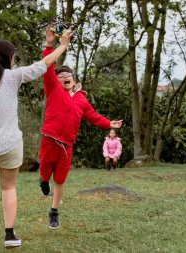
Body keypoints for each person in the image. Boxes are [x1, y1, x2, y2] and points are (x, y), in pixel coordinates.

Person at [0, 30, 72, 251]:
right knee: (9, 188)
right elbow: (44, 64)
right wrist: (62, 45)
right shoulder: (14, 77)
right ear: (7, 57)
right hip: (10, 145)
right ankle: (10, 236)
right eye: (12, 55)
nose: (13, 59)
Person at [39, 27, 123, 229]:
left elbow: (93, 117)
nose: (66, 76)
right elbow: (48, 66)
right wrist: (50, 45)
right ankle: (42, 180)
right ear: (56, 80)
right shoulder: (52, 89)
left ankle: (54, 211)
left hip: (67, 146)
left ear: (74, 81)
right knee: (45, 172)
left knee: (60, 180)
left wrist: (109, 123)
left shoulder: (81, 99)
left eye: (69, 75)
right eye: (62, 75)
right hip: (49, 140)